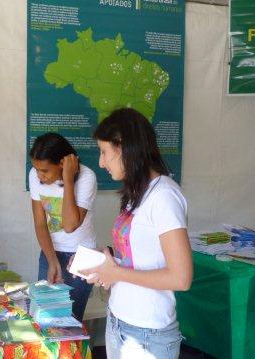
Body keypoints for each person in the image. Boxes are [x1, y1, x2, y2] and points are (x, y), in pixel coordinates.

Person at [80, 108, 193, 359]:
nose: (101, 162)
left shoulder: (164, 196)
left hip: (147, 335)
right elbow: (139, 258)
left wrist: (116, 272)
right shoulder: (136, 193)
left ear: (124, 148)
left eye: (104, 152)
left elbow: (181, 277)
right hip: (119, 321)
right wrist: (106, 261)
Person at [29, 132, 97, 321]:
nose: (39, 176)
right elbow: (40, 224)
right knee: (44, 317)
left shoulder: (86, 177)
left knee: (70, 323)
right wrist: (52, 260)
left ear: (62, 163)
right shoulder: (35, 176)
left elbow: (69, 225)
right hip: (50, 251)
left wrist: (68, 180)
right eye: (36, 169)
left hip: (81, 256)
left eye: (45, 171)